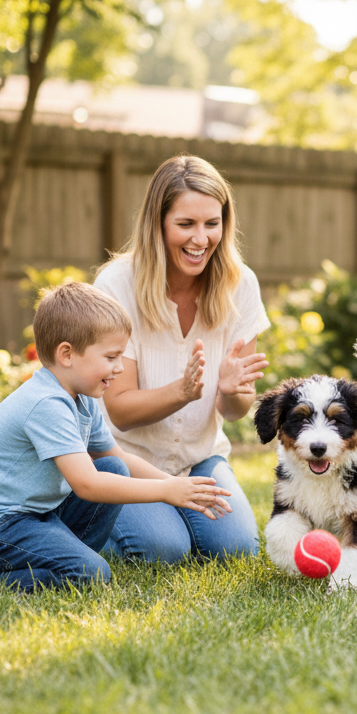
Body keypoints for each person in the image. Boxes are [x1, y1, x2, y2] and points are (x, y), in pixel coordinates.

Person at [0, 282, 231, 590]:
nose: (120, 368)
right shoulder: (47, 403)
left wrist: (175, 485)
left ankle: (66, 557)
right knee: (91, 574)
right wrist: (165, 493)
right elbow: (87, 484)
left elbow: (118, 458)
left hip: (33, 516)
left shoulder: (82, 399)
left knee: (114, 467)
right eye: (111, 357)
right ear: (67, 354)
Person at [93, 155, 269, 563]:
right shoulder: (117, 285)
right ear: (158, 224)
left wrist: (229, 393)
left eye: (212, 223)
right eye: (185, 224)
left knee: (235, 551)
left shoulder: (239, 284)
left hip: (199, 458)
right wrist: (183, 392)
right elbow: (118, 410)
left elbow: (237, 410)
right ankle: (81, 518)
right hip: (123, 459)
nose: (201, 238)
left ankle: (171, 515)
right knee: (163, 550)